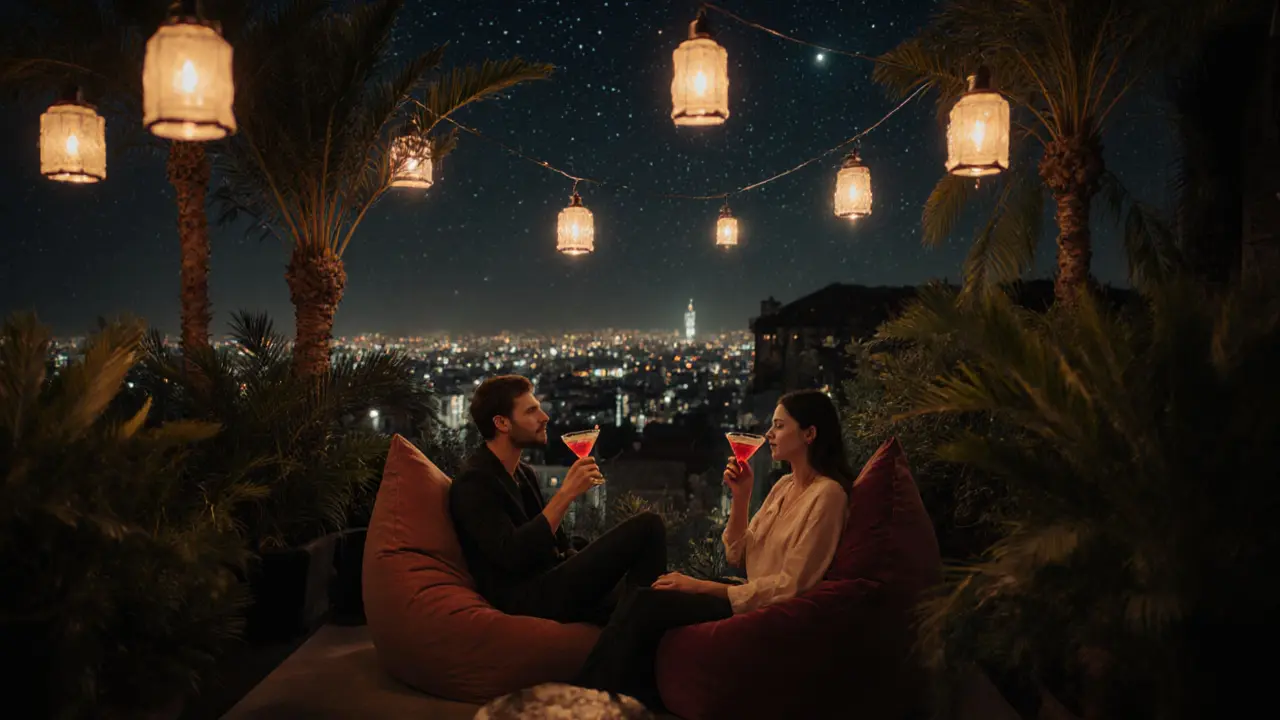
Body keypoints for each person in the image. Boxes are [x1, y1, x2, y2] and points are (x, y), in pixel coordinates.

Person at [575, 389, 854, 709]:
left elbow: (791, 587)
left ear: (810, 433)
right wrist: (741, 496)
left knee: (649, 605)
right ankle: (613, 698)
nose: (768, 434)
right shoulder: (783, 487)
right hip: (747, 595)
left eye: (779, 426)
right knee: (644, 595)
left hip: (766, 612)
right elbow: (737, 555)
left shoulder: (829, 496)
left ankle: (585, 701)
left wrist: (700, 586)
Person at [449, 374, 668, 625]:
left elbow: (559, 543)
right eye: (531, 411)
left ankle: (639, 622)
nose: (544, 417)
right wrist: (565, 495)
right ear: (502, 423)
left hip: (552, 578)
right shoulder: (474, 482)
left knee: (655, 593)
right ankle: (638, 635)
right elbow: (511, 555)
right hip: (527, 598)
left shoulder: (523, 472)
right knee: (648, 527)